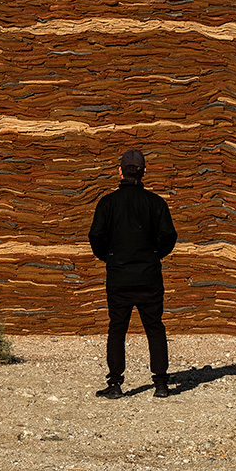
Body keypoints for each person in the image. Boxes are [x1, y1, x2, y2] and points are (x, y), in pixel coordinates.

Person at [87, 147, 177, 398]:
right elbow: (169, 236)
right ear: (144, 172)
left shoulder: (107, 203)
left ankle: (115, 384)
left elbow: (95, 236)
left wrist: (109, 257)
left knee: (117, 328)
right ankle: (160, 384)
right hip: (149, 276)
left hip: (119, 276)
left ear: (120, 171)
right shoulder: (156, 203)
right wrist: (154, 255)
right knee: (155, 328)